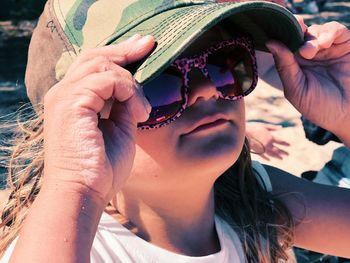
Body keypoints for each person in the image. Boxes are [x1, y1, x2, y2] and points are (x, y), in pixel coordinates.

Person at [0, 0, 350, 262]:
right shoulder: (72, 244)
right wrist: (75, 185)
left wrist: (345, 116)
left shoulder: (251, 195)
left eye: (226, 63)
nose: (207, 89)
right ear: (79, 123)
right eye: (154, 81)